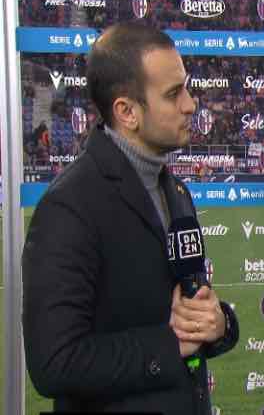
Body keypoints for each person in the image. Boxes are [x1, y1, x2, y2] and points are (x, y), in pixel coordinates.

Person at [22, 22, 239, 414]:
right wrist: (168, 346)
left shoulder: (176, 192)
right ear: (126, 112)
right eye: (173, 94)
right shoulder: (69, 206)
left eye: (186, 89)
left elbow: (185, 308)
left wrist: (220, 324)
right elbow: (54, 363)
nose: (191, 105)